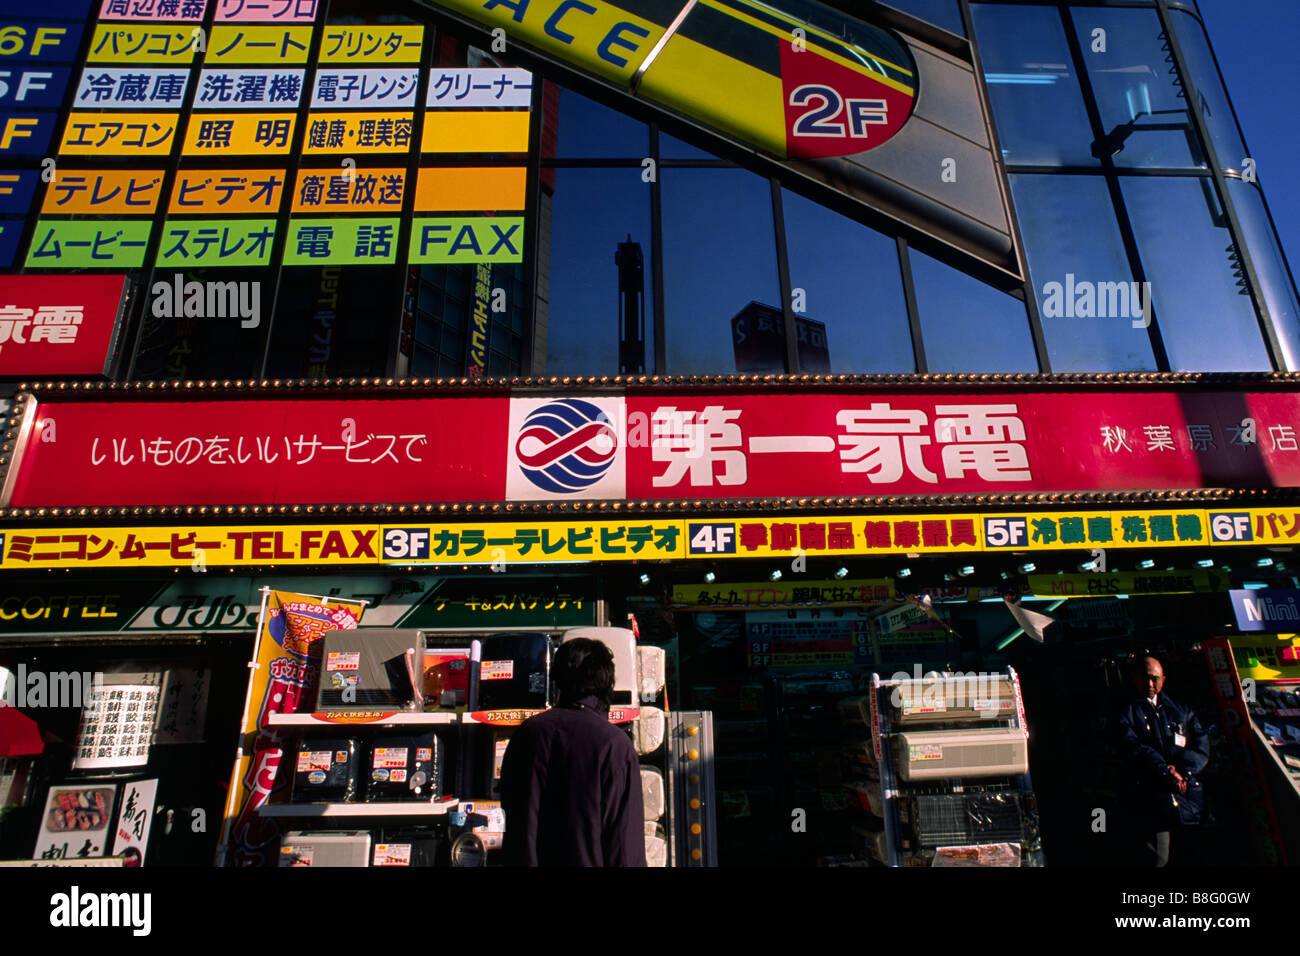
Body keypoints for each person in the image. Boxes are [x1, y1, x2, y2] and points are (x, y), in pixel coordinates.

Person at [499, 638, 646, 866]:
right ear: (607, 682)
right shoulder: (613, 745)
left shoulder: (526, 734)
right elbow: (624, 846)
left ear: (556, 680)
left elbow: (511, 810)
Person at [1112, 655, 1209, 867]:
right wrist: (1165, 771)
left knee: (1193, 856)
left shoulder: (1181, 711)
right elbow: (1131, 746)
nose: (1149, 684)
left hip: (1187, 798)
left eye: (1154, 678)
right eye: (1144, 678)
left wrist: (1182, 770)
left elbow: (1201, 746)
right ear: (1134, 678)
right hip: (1150, 799)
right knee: (1158, 859)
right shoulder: (1124, 711)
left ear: (1163, 680)